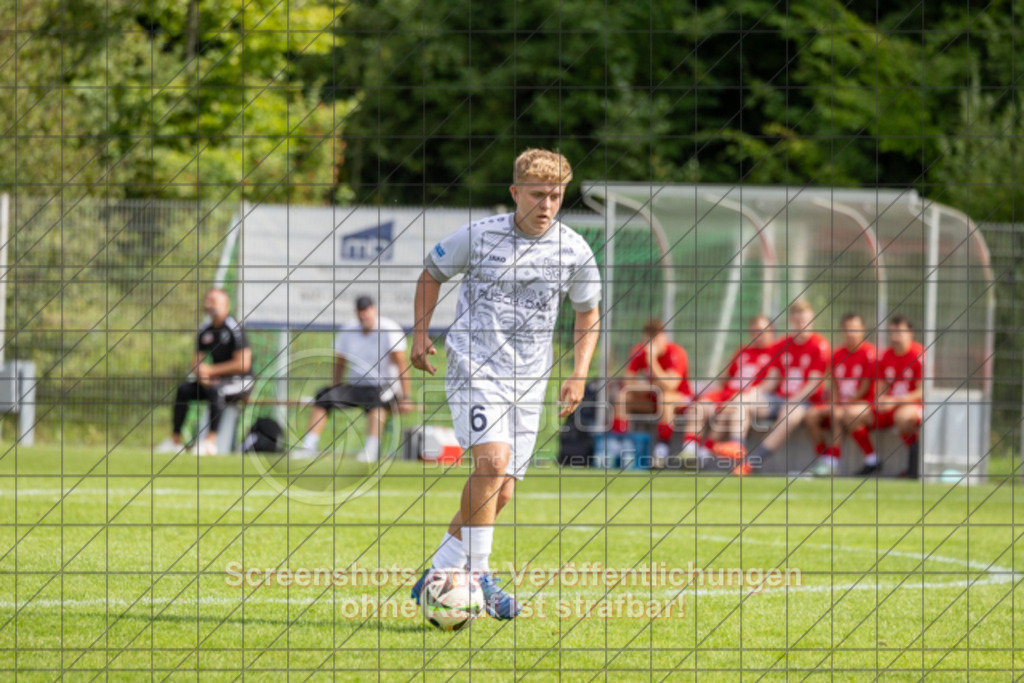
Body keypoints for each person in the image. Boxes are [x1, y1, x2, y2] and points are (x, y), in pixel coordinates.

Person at [408, 149, 601, 620]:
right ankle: (479, 576)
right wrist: (420, 332)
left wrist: (577, 372)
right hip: (475, 368)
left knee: (502, 489)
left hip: (530, 381)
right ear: (516, 193)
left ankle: (438, 573)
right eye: (537, 194)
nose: (547, 204)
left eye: (556, 195)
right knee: (492, 464)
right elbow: (431, 274)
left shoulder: (574, 248)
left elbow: (587, 311)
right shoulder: (478, 237)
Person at [293, 295, 413, 462]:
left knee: (377, 402)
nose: (364, 315)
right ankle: (309, 446)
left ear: (374, 310)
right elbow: (340, 362)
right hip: (356, 386)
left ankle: (371, 450)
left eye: (367, 311)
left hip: (385, 386)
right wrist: (335, 386)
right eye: (360, 311)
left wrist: (406, 397)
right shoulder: (349, 330)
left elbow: (401, 364)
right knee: (324, 396)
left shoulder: (389, 329)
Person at [156, 288, 254, 456]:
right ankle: (175, 441)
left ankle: (210, 443)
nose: (208, 304)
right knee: (184, 390)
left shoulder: (234, 328)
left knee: (218, 390)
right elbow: (196, 362)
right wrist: (201, 375)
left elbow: (243, 364)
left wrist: (211, 370)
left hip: (241, 381)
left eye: (213, 301)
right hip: (214, 380)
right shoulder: (205, 330)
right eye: (207, 300)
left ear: (225, 305)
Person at [738, 299, 829, 475]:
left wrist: (792, 401)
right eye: (797, 320)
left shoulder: (819, 345)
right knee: (742, 402)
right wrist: (752, 394)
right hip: (780, 398)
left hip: (805, 402)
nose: (801, 324)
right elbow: (772, 380)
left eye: (805, 320)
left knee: (791, 415)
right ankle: (737, 450)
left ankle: (752, 462)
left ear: (812, 320)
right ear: (791, 321)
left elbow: (813, 383)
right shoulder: (782, 344)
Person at [681, 313, 780, 466]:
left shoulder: (776, 351)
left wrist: (746, 396)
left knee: (731, 409)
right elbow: (725, 378)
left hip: (747, 398)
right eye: (754, 331)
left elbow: (771, 384)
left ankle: (704, 454)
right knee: (699, 406)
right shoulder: (742, 350)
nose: (757, 335)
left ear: (771, 331)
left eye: (761, 331)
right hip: (727, 394)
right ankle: (689, 450)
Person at [839, 315, 924, 477]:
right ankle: (872, 460)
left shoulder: (919, 354)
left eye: (899, 332)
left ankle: (914, 466)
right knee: (851, 414)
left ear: (910, 333)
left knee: (903, 416)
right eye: (892, 332)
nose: (895, 337)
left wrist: (896, 400)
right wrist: (881, 400)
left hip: (911, 406)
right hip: (889, 407)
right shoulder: (884, 356)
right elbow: (880, 387)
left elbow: (922, 391)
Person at [610, 318, 693, 465]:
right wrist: (649, 387)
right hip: (651, 398)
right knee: (623, 396)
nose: (651, 344)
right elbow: (628, 382)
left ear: (663, 338)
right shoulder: (639, 350)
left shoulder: (677, 353)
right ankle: (618, 443)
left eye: (655, 339)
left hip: (679, 400)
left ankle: (661, 449)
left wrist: (652, 362)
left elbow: (671, 386)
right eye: (648, 339)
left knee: (665, 397)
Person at [804, 312, 877, 476]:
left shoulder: (870, 353)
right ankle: (825, 458)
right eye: (847, 329)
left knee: (838, 414)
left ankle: (833, 462)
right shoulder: (837, 354)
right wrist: (833, 402)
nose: (850, 333)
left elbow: (865, 387)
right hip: (842, 403)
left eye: (854, 329)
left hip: (863, 403)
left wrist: (841, 404)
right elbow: (834, 385)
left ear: (862, 330)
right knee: (811, 416)